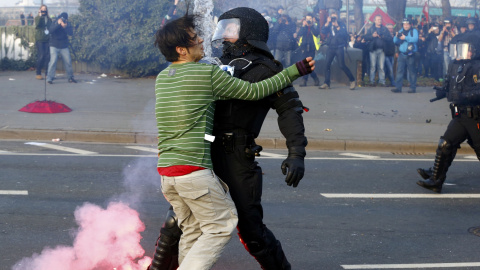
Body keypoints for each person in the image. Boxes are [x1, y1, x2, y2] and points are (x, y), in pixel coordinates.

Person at [151, 10, 315, 270]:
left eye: (230, 28)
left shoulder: (265, 68)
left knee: (251, 231)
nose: (221, 35)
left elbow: (289, 108)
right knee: (178, 225)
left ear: (249, 33)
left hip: (237, 156)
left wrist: (296, 151)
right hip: (203, 154)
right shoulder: (208, 65)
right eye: (222, 28)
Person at [416, 33, 480, 193]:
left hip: (474, 116)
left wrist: (461, 96)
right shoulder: (455, 64)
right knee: (446, 144)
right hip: (460, 116)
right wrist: (443, 91)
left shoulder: (477, 67)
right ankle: (436, 179)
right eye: (460, 49)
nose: (464, 53)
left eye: (467, 49)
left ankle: (436, 175)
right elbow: (450, 83)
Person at [319, 11, 356, 90]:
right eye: (332, 17)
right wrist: (327, 22)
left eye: (334, 17)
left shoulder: (341, 24)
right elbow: (323, 31)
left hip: (339, 47)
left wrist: (337, 26)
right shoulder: (329, 24)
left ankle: (352, 80)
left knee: (342, 65)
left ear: (337, 17)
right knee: (327, 65)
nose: (333, 19)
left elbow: (344, 34)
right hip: (331, 47)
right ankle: (326, 83)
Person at [46, 12, 76, 84]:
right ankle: (49, 78)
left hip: (64, 45)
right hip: (54, 45)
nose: (63, 20)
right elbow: (50, 31)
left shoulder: (67, 24)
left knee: (68, 61)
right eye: (62, 18)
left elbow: (71, 33)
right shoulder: (55, 22)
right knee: (53, 61)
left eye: (65, 19)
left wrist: (65, 27)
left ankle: (70, 77)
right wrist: (58, 24)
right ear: (59, 18)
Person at [391, 18, 418, 93]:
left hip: (411, 54)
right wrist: (396, 36)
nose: (406, 26)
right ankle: (398, 87)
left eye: (407, 24)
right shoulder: (401, 31)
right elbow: (395, 41)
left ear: (410, 25)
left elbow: (415, 39)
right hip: (402, 54)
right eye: (404, 24)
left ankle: (412, 88)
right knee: (399, 71)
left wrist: (405, 38)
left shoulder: (414, 31)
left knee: (411, 71)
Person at [364, 15, 391, 86]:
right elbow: (366, 37)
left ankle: (382, 81)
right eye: (378, 19)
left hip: (382, 50)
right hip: (373, 50)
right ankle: (371, 81)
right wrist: (372, 36)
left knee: (381, 67)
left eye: (380, 19)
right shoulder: (371, 29)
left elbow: (389, 38)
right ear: (375, 21)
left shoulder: (384, 29)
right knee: (373, 66)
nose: (380, 21)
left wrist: (383, 36)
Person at [297, 13, 321, 86]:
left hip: (312, 48)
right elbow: (300, 34)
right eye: (307, 19)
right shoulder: (303, 26)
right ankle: (314, 78)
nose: (309, 20)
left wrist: (312, 26)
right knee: (305, 65)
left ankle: (306, 80)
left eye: (310, 19)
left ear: (313, 19)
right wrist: (304, 26)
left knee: (309, 65)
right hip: (304, 48)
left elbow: (316, 34)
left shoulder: (315, 26)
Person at [34, 5, 52, 80]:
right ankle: (38, 73)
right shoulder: (37, 18)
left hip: (47, 38)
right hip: (40, 39)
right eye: (42, 9)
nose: (44, 10)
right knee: (41, 55)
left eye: (45, 9)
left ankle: (47, 73)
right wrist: (40, 16)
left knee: (48, 56)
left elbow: (50, 27)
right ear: (40, 10)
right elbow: (37, 25)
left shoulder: (48, 19)